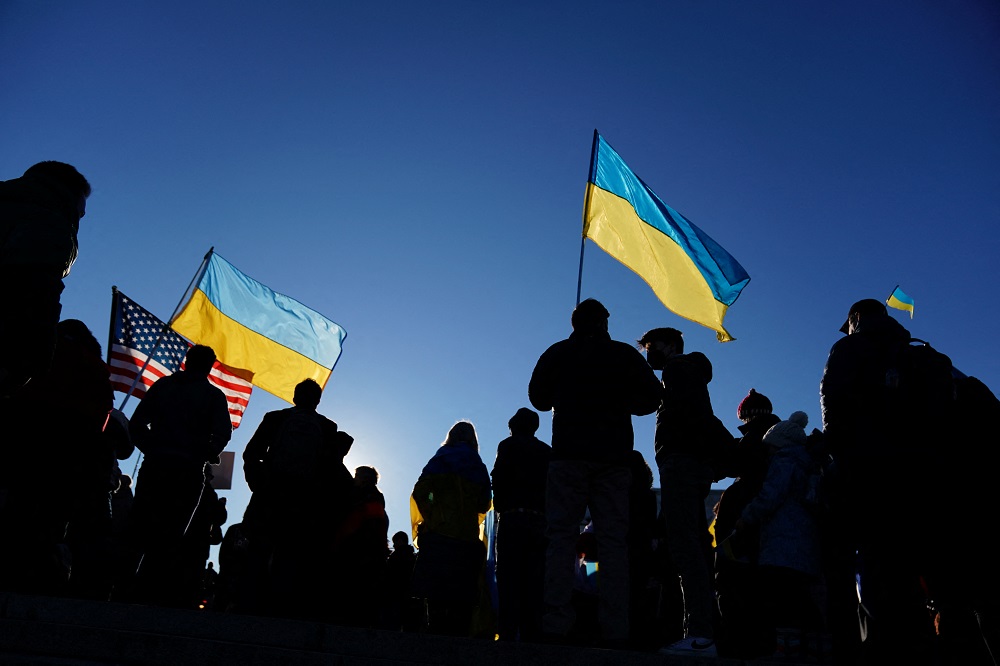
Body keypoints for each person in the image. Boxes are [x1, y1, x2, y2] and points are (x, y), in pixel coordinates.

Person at [528, 299, 662, 647]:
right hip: (613, 459)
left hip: (568, 455)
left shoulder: (558, 352)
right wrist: (619, 402)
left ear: (574, 322)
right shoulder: (623, 355)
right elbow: (653, 398)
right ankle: (615, 628)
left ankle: (556, 622)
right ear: (604, 322)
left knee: (560, 537)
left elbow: (538, 399)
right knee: (613, 542)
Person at [820, 298, 939, 664]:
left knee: (870, 565)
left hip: (866, 472)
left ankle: (876, 650)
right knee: (910, 566)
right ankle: (920, 648)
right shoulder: (916, 352)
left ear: (855, 318)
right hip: (918, 476)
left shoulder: (849, 347)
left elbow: (833, 402)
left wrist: (836, 460)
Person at [0, 318, 112, 597]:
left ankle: (12, 572)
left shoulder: (40, 354)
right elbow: (101, 415)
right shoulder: (94, 368)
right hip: (70, 453)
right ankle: (34, 577)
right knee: (51, 518)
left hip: (27, 445)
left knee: (18, 509)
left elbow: (14, 391)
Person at [637, 326, 728, 657]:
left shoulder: (678, 369)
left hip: (681, 464)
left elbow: (696, 418)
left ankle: (699, 633)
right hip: (688, 464)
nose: (649, 353)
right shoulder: (683, 374)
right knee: (692, 544)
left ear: (669, 345)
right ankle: (701, 631)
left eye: (651, 346)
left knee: (685, 546)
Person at [122, 344, 232, 607]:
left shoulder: (164, 387)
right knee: (171, 533)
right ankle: (148, 593)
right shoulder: (212, 396)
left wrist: (152, 447)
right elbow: (223, 433)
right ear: (208, 366)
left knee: (142, 528)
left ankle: (127, 589)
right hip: (186, 470)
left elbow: (136, 424)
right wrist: (205, 452)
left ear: (187, 360)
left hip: (159, 465)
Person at [239, 377, 353, 620]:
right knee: (291, 556)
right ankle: (281, 612)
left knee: (258, 549)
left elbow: (251, 454)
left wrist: (257, 484)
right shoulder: (327, 427)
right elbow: (329, 468)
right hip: (303, 501)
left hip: (270, 494)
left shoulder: (275, 417)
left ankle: (247, 608)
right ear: (318, 400)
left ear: (294, 397)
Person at [734, 411, 826, 661]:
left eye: (769, 448)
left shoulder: (784, 462)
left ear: (779, 445)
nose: (767, 454)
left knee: (782, 601)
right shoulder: (808, 466)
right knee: (803, 601)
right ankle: (815, 648)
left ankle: (787, 650)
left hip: (781, 548)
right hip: (805, 551)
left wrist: (746, 517)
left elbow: (770, 497)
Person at [0, 161, 91, 398]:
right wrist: (31, 361)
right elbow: (36, 289)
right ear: (70, 195)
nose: (81, 215)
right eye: (81, 210)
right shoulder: (49, 220)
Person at [713, 388, 781, 659]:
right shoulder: (783, 447)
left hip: (741, 531)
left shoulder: (751, 445)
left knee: (735, 592)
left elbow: (726, 466)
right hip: (770, 540)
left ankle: (736, 647)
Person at [410, 420, 493, 637]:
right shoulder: (478, 465)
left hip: (438, 534)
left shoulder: (440, 459)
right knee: (462, 595)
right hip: (465, 538)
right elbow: (484, 503)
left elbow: (422, 491)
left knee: (435, 593)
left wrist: (434, 508)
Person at [490, 407, 552, 642]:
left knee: (508, 578)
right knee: (534, 580)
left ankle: (507, 634)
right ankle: (532, 635)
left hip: (513, 517)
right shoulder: (547, 451)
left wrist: (501, 506)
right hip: (539, 521)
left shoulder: (507, 446)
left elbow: (499, 476)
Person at [383, 530, 418, 631]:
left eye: (395, 542)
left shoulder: (397, 556)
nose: (393, 545)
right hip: (408, 594)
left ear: (400, 541)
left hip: (395, 594)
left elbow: (389, 575)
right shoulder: (412, 557)